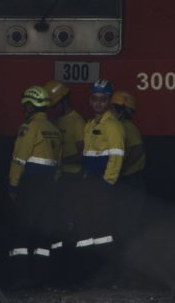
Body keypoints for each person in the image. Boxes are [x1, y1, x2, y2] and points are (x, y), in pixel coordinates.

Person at [4, 85, 62, 288]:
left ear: (30, 106)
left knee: (21, 230)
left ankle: (20, 277)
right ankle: (42, 278)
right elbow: (58, 164)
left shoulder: (28, 128)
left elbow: (19, 159)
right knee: (42, 233)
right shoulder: (54, 129)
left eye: (25, 105)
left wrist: (13, 186)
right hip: (49, 186)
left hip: (30, 184)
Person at [74, 79, 125, 271]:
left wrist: (107, 182)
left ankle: (105, 267)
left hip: (102, 183)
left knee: (102, 227)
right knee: (89, 224)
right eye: (94, 98)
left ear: (109, 101)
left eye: (103, 99)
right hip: (90, 181)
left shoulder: (112, 125)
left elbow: (117, 155)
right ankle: (89, 265)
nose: (98, 103)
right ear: (89, 100)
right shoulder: (90, 124)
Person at [43, 80, 86, 281]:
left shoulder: (77, 121)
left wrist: (61, 161)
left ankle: (72, 266)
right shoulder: (55, 121)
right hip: (59, 177)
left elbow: (82, 153)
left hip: (72, 177)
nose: (51, 110)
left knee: (71, 221)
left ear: (63, 102)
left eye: (53, 106)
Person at [111, 91, 146, 245]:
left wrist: (122, 168)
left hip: (131, 180)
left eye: (113, 108)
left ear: (121, 110)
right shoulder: (122, 126)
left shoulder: (127, 127)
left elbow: (138, 149)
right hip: (130, 180)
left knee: (126, 221)